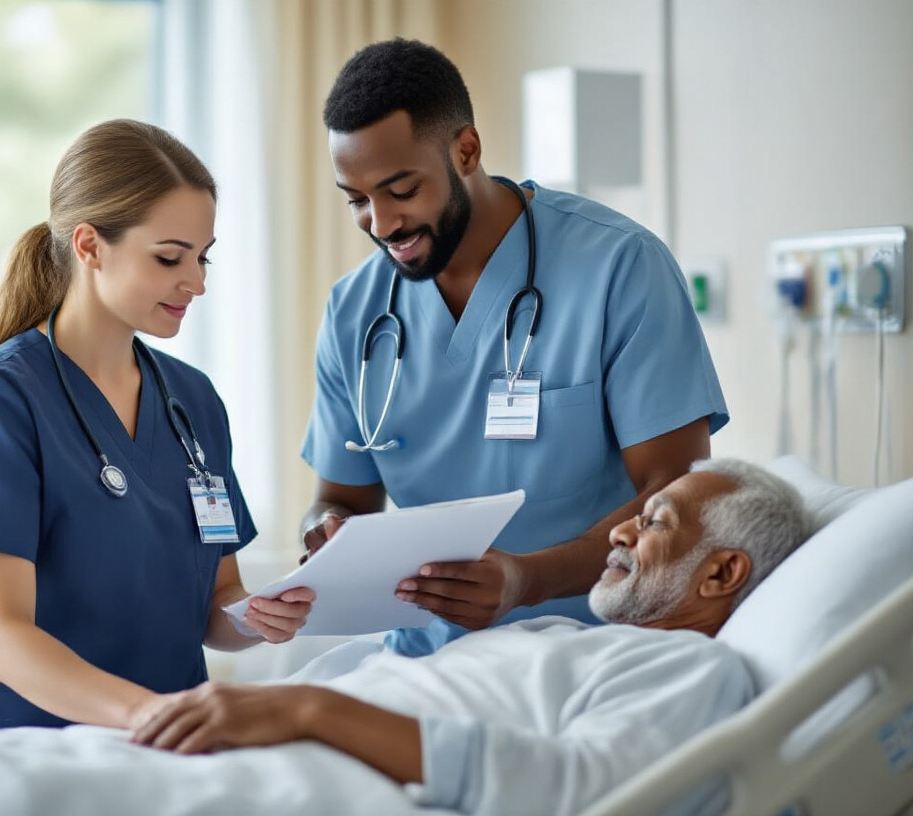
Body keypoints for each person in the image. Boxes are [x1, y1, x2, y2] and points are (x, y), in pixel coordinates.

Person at [299, 38, 729, 657]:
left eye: (401, 190)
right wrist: (323, 532)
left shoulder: (619, 267)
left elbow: (680, 495)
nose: (382, 223)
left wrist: (527, 581)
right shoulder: (354, 312)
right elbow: (339, 498)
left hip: (599, 647)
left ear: (466, 151)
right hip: (430, 659)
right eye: (357, 201)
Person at [132, 458, 809, 815]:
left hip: (292, 779)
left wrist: (308, 711)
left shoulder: (689, 671)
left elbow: (587, 792)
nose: (620, 530)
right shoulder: (557, 637)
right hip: (221, 746)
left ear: (722, 573)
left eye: (656, 521)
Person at [0, 119, 313, 733]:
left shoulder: (193, 401)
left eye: (203, 257)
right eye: (169, 258)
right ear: (89, 246)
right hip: (25, 754)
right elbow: (2, 638)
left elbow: (216, 604)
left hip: (165, 752)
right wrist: (149, 714)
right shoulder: (0, 401)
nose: (198, 282)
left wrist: (258, 616)